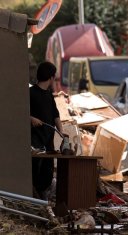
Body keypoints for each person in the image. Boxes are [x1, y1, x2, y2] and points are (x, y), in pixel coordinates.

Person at [30, 61, 64, 199]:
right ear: (50, 77)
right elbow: (20, 112)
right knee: (35, 170)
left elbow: (55, 115)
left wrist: (61, 132)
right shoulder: (30, 93)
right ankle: (34, 198)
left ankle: (43, 199)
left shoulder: (49, 95)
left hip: (48, 140)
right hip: (35, 139)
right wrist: (31, 118)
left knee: (47, 171)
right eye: (54, 77)